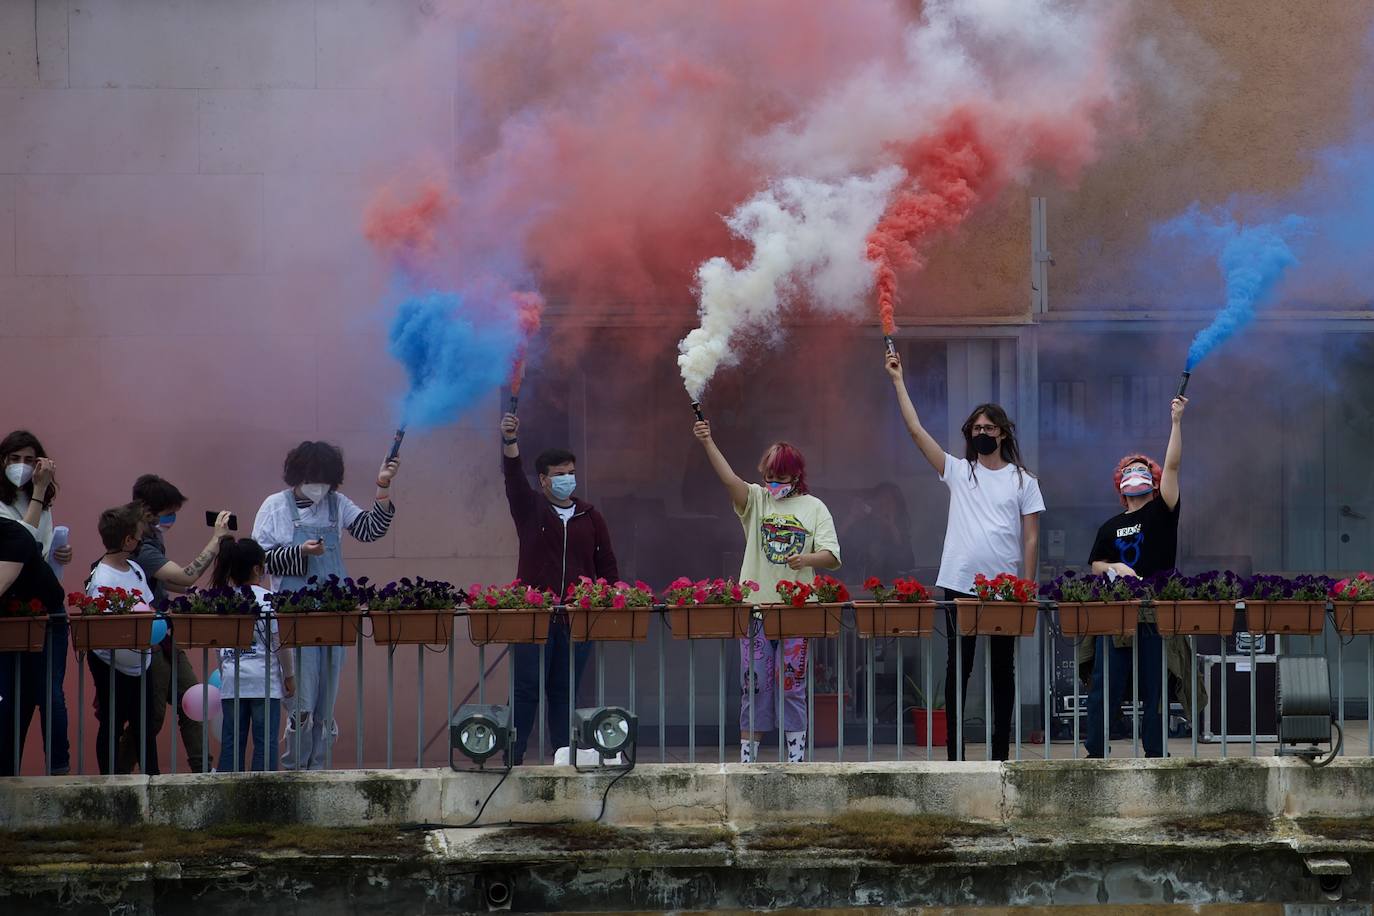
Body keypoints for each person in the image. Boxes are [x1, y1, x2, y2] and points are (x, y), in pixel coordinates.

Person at [886, 352, 1043, 761]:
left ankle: (999, 756)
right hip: (960, 583)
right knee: (959, 667)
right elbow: (917, 431)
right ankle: (955, 756)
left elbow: (1030, 538)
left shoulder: (1024, 480)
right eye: (975, 428)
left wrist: (1026, 586)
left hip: (1006, 589)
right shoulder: (959, 471)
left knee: (1002, 671)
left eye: (988, 428)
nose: (981, 433)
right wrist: (899, 381)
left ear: (1003, 434)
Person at [692, 420, 841, 764]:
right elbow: (729, 479)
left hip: (796, 611)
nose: (773, 485)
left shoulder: (814, 508)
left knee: (793, 687)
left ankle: (796, 762)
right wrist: (707, 441)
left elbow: (832, 556)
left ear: (796, 477)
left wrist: (806, 557)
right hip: (755, 610)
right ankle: (748, 761)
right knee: (753, 687)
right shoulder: (756, 500)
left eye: (781, 479)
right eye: (768, 477)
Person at [253, 441, 399, 770]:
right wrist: (300, 552)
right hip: (295, 619)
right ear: (297, 476)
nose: (320, 488)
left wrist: (383, 485)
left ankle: (319, 769)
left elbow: (370, 529)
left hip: (335, 618)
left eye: (326, 481)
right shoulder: (275, 506)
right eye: (313, 479)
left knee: (325, 703)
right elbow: (259, 561)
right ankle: (294, 770)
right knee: (301, 703)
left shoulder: (337, 504)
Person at [500, 412, 620, 765]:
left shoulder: (590, 516)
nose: (567, 479)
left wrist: (610, 599)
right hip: (534, 618)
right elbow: (512, 478)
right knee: (524, 689)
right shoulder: (530, 508)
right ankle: (514, 756)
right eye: (559, 474)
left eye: (571, 472)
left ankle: (563, 756)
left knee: (564, 690)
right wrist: (509, 442)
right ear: (543, 479)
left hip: (576, 620)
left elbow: (608, 565)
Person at [1084, 396, 1187, 759]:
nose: (1135, 473)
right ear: (1120, 483)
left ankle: (1156, 752)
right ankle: (1095, 751)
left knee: (1155, 687)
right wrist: (1114, 568)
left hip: (1154, 612)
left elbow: (1173, 465)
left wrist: (1176, 422)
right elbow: (1095, 563)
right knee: (1104, 684)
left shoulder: (1163, 511)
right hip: (1117, 615)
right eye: (1130, 469)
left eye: (1142, 468)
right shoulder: (1109, 526)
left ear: (1153, 480)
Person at [128, 474, 232, 772]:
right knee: (152, 715)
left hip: (167, 636)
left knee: (194, 702)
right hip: (148, 640)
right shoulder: (141, 547)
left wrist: (191, 592)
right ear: (147, 512)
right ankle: (120, 771)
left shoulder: (154, 539)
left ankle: (202, 770)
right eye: (168, 513)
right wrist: (216, 540)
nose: (171, 519)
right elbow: (185, 574)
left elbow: (171, 582)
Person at [0, 430, 73, 775]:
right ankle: (6, 769)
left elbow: (38, 551)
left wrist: (59, 555)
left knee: (50, 693)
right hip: (10, 608)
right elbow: (19, 543)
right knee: (10, 697)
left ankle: (58, 769)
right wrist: (40, 494)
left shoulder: (41, 505)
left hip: (44, 606)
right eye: (15, 459)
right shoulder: (7, 504)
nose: (22, 467)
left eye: (30, 460)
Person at [85, 504, 158, 775]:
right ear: (128, 540)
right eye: (139, 537)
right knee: (112, 723)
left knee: (145, 726)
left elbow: (148, 606)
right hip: (112, 664)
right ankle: (109, 781)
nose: (141, 541)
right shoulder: (101, 578)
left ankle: (153, 777)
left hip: (142, 662)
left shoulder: (136, 569)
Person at [212, 537, 295, 772]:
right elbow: (281, 643)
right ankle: (264, 796)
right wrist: (289, 675)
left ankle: (227, 796)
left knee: (231, 743)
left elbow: (219, 648)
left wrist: (224, 671)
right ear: (257, 568)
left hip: (232, 683)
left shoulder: (223, 601)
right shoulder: (268, 601)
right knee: (265, 744)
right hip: (264, 684)